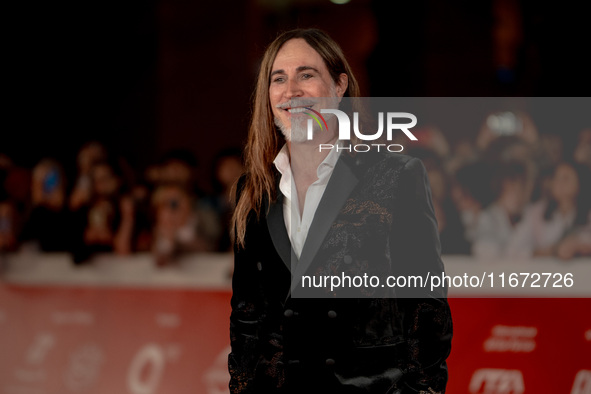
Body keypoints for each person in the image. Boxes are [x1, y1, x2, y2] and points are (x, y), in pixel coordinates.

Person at [228, 28, 452, 393]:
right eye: (278, 79)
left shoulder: (395, 177)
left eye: (307, 74)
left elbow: (426, 309)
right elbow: (246, 317)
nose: (291, 90)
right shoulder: (253, 190)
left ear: (339, 85)